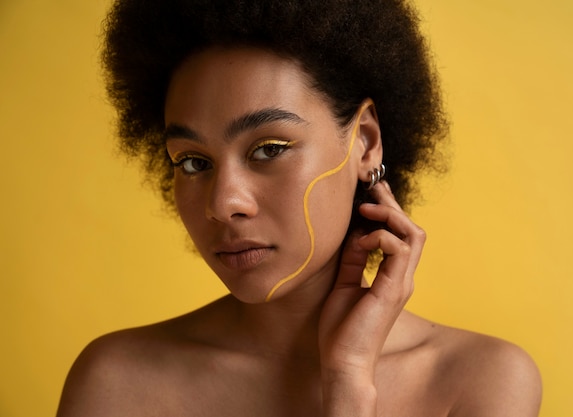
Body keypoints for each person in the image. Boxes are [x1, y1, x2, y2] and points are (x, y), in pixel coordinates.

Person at [57, 0, 542, 416]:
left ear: (365, 143)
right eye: (193, 161)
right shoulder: (117, 386)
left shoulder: (479, 384)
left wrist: (349, 383)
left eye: (269, 148)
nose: (222, 204)